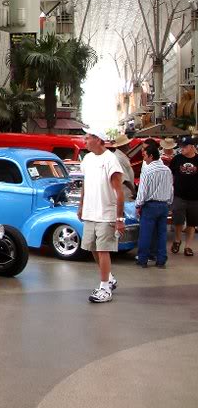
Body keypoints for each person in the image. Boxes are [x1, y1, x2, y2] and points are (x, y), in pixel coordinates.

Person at [78, 128, 125, 304]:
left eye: (88, 137)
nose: (85, 140)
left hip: (106, 214)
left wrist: (119, 219)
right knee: (92, 247)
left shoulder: (111, 160)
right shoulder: (88, 159)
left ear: (98, 140)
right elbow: (85, 184)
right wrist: (81, 205)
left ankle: (105, 288)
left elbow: (119, 192)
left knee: (102, 249)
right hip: (91, 212)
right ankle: (110, 278)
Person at [135, 142, 173, 268]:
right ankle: (161, 260)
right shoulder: (167, 170)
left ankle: (143, 259)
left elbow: (142, 190)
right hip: (164, 205)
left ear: (151, 156)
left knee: (145, 233)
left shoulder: (147, 170)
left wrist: (138, 204)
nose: (144, 159)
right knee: (162, 234)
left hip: (150, 205)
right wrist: (169, 203)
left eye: (145, 156)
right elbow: (171, 188)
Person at [169, 137, 198, 256]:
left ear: (192, 147)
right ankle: (177, 240)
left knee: (192, 222)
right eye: (181, 146)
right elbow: (170, 174)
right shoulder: (177, 159)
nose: (182, 149)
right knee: (178, 220)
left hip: (195, 197)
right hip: (179, 195)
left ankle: (188, 246)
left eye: (185, 146)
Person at [108, 134, 135, 201]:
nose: (129, 146)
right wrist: (133, 191)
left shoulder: (121, 156)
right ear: (123, 146)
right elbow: (124, 179)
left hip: (126, 192)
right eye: (127, 144)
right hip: (125, 193)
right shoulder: (118, 158)